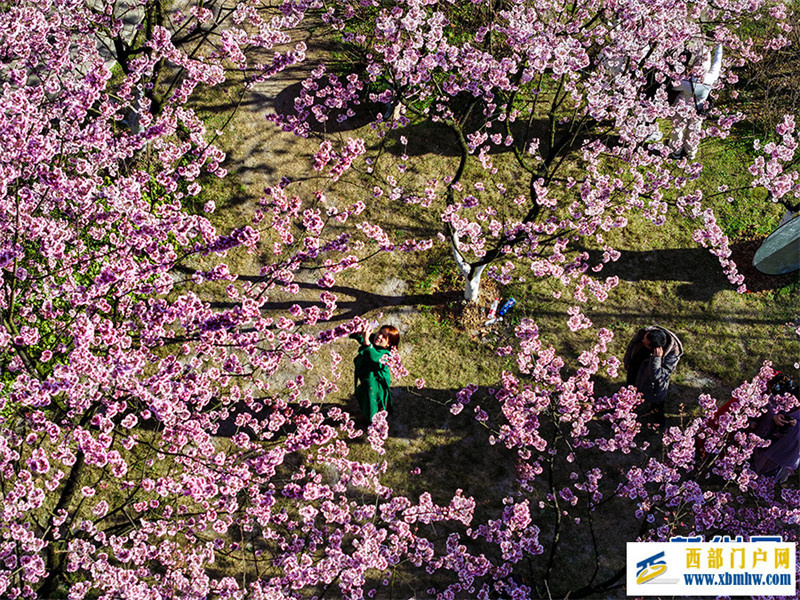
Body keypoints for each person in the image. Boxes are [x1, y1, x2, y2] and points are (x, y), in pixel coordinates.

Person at [668, 43, 723, 160]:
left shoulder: (685, 81)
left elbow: (673, 87)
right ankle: (690, 152)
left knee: (678, 128)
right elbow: (717, 62)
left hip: (682, 106)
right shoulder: (711, 78)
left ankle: (676, 151)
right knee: (695, 129)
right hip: (699, 108)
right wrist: (720, 45)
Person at [623, 325, 684, 424]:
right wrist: (627, 360)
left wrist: (656, 359)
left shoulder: (672, 355)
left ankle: (658, 418)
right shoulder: (646, 333)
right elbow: (632, 344)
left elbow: (658, 377)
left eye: (645, 343)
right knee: (629, 386)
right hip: (636, 366)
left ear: (656, 349)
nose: (642, 340)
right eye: (644, 338)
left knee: (657, 400)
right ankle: (624, 408)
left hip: (652, 381)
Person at [751, 373, 800, 485]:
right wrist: (774, 416)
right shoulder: (787, 397)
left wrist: (796, 424)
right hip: (771, 433)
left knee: (771, 463)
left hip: (787, 443)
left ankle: (767, 474)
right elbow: (771, 406)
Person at [349, 323, 400, 422]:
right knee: (366, 395)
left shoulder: (387, 356)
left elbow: (374, 357)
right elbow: (365, 340)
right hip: (368, 379)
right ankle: (381, 409)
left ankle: (371, 419)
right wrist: (360, 333)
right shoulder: (375, 341)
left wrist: (366, 342)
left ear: (388, 344)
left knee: (371, 401)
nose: (379, 336)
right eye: (380, 332)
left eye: (384, 337)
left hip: (375, 383)